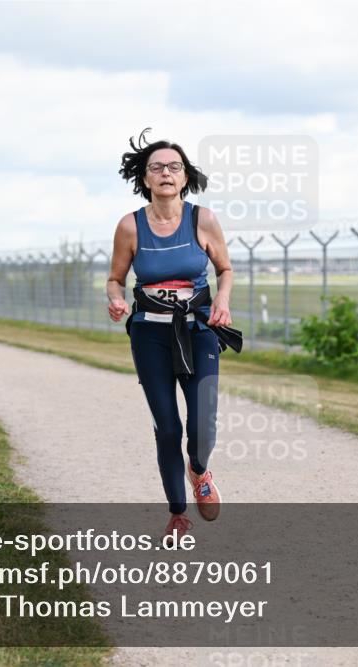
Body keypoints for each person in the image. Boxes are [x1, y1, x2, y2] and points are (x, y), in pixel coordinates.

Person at [107, 128, 241, 542]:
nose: (166, 173)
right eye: (157, 167)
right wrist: (115, 300)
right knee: (167, 428)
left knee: (202, 424)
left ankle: (198, 470)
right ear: (145, 178)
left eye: (174, 166)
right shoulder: (130, 227)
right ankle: (178, 515)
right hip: (150, 334)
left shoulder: (204, 220)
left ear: (185, 177)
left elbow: (225, 269)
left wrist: (222, 301)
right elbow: (115, 279)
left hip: (198, 328)